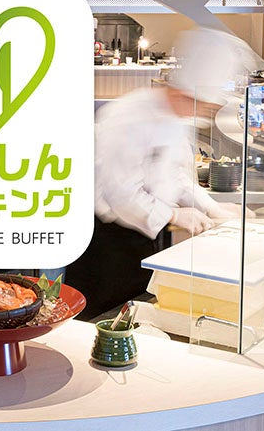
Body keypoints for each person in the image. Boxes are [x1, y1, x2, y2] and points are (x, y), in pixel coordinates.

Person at [65, 28, 246, 319]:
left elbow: (174, 175)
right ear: (183, 93)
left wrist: (211, 207)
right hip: (108, 242)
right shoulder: (128, 117)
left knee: (140, 314)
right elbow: (121, 194)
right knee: (100, 321)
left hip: (148, 235)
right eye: (201, 104)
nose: (202, 112)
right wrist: (174, 215)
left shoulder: (176, 117)